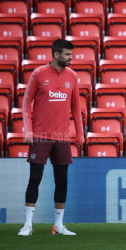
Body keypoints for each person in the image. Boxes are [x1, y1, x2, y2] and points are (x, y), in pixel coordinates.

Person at [18, 39, 84, 236]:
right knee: (35, 178)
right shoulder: (38, 74)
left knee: (61, 180)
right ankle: (28, 225)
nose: (71, 58)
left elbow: (76, 108)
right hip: (39, 135)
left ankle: (58, 226)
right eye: (67, 54)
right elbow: (26, 103)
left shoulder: (72, 76)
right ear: (56, 55)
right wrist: (28, 130)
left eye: (71, 54)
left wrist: (79, 134)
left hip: (62, 137)